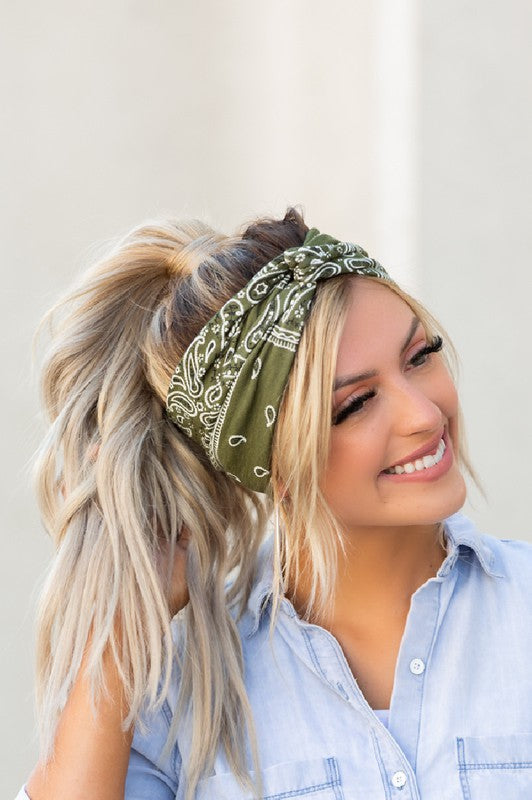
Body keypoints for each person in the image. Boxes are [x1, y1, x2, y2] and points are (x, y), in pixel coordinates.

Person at [16, 208, 532, 800]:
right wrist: (120, 634)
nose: (425, 413)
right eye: (357, 404)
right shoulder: (178, 700)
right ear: (270, 463)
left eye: (420, 355)